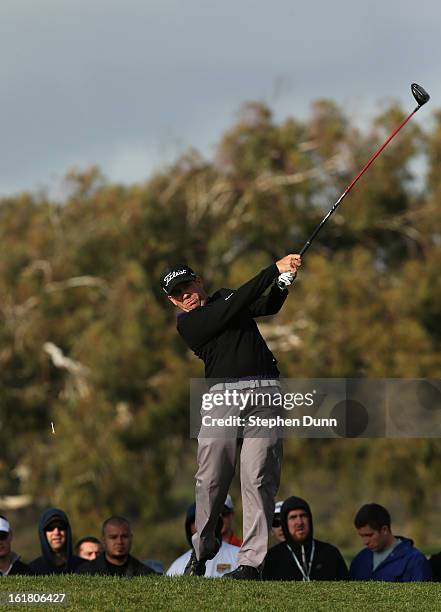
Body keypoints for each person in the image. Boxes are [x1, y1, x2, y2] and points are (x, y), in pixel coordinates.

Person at [162, 255, 301, 580]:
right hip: (222, 399)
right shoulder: (188, 323)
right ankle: (203, 547)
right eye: (177, 293)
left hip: (265, 392)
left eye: (188, 286)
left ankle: (252, 563)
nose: (186, 295)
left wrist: (283, 283)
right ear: (172, 300)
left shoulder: (225, 296)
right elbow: (235, 305)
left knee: (258, 478)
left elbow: (266, 306)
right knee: (212, 479)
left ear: (198, 281)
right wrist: (271, 270)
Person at [262, 496, 348, 581]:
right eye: (293, 517)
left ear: (310, 519)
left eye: (303, 516)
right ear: (285, 523)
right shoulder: (272, 558)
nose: (299, 522)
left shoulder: (330, 553)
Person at [349, 503, 432, 581]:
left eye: (369, 535)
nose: (365, 542)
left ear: (384, 530)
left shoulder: (414, 561)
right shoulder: (359, 560)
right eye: (361, 536)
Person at [167, 503, 239, 577]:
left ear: (217, 525)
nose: (203, 527)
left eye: (207, 522)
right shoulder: (178, 565)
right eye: (197, 522)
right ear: (190, 528)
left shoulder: (239, 556)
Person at [76, 516, 156, 576]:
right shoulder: (85, 572)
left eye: (124, 536)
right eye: (113, 537)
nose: (119, 542)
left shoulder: (146, 574)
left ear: (131, 538)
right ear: (103, 540)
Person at [29, 508, 83, 574]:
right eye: (50, 528)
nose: (56, 532)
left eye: (61, 527)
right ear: (43, 533)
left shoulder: (83, 567)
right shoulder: (32, 571)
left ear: (67, 531)